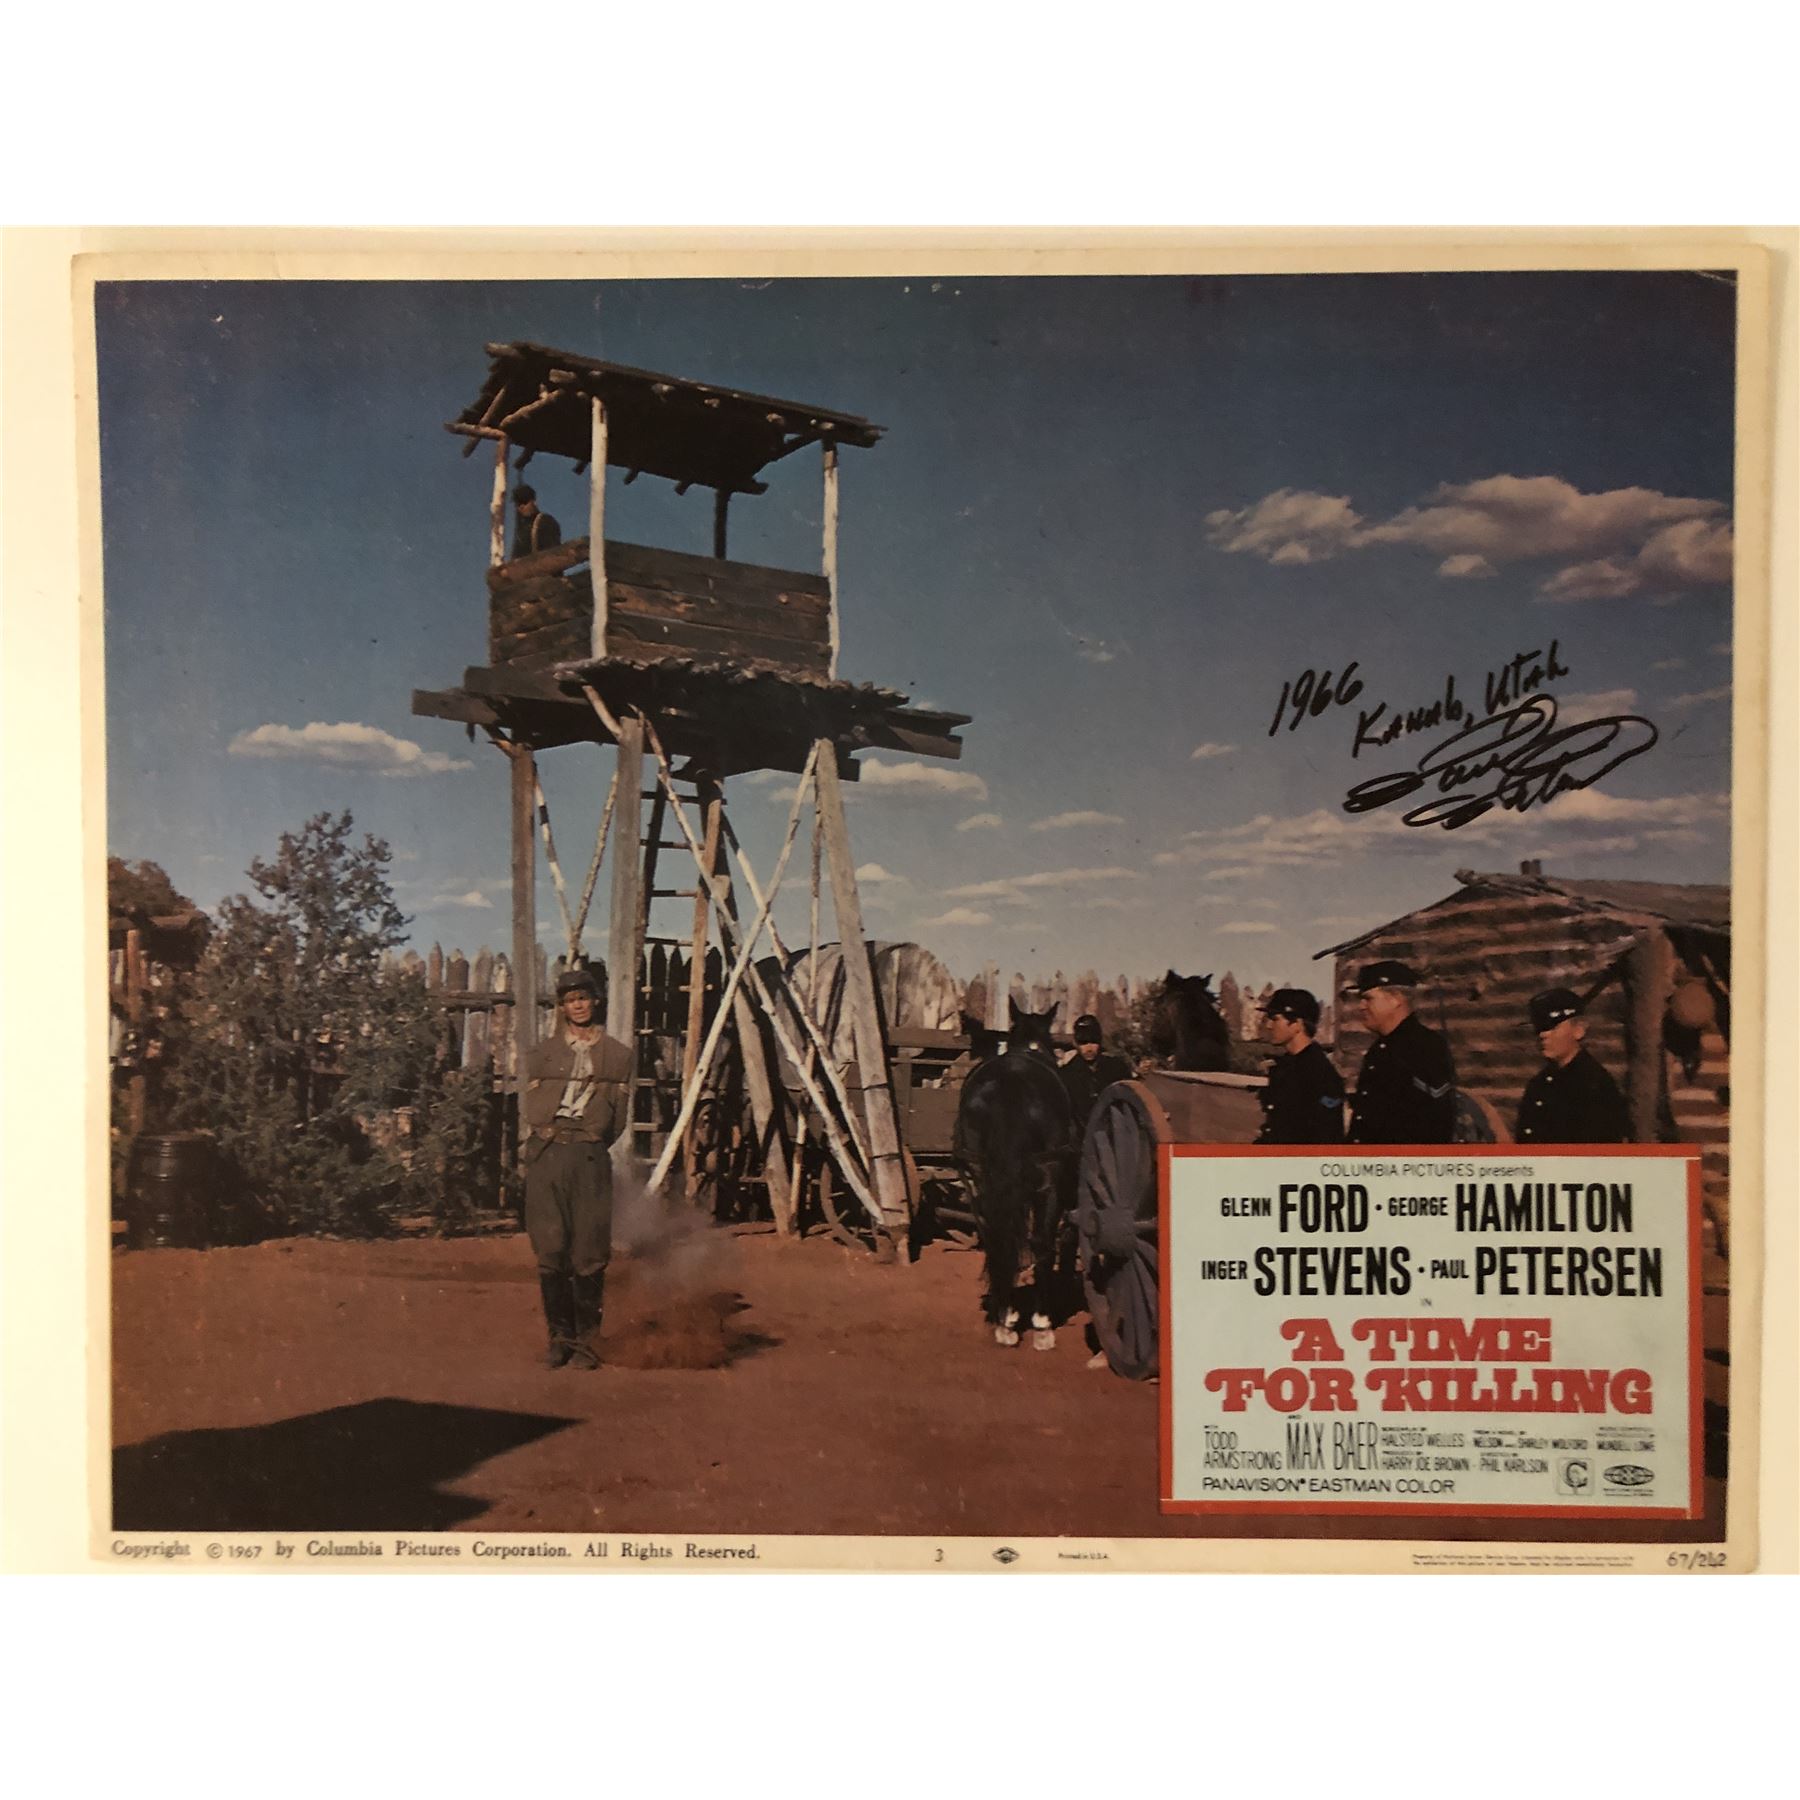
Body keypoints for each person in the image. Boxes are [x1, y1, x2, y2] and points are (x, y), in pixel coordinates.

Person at [521, 966, 633, 1369]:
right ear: (562, 1007)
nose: (578, 1006)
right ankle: (560, 1339)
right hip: (548, 1154)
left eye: (584, 998)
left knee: (589, 1251)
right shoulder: (542, 1054)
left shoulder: (618, 1055)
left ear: (596, 1001)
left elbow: (617, 1120)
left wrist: (591, 1139)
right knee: (550, 1249)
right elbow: (531, 1107)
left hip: (588, 1157)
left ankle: (587, 1342)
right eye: (570, 1000)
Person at [1347, 960, 1457, 1144]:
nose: (1361, 1006)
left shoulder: (1424, 1046)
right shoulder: (1379, 1049)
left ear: (1395, 999)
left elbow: (1436, 1124)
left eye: (1368, 998)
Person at [1516, 988, 1630, 1144]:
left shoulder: (1594, 1085)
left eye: (1553, 1026)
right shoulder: (1538, 1084)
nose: (1543, 1035)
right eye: (1539, 1028)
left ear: (1579, 1030)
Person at [1255, 988, 1346, 1144]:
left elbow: (1326, 1134)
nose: (1269, 1025)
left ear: (1297, 1024)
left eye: (1275, 1019)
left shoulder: (1318, 1072)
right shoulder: (1288, 1065)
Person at [1057, 1013, 1132, 1136]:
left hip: (1116, 1135)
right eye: (1083, 1042)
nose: (1089, 1048)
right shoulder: (1066, 1075)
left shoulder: (1117, 1068)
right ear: (1075, 1043)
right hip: (1081, 1138)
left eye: (1093, 1042)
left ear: (1100, 1042)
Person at [510, 483, 561, 561]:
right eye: (518, 504)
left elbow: (553, 554)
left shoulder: (545, 521)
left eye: (524, 501)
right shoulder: (521, 529)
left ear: (534, 501)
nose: (521, 506)